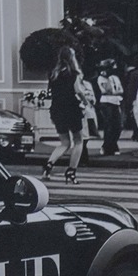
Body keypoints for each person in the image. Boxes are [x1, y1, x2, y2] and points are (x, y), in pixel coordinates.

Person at [41, 45, 86, 183]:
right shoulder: (74, 73)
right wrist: (86, 102)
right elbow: (78, 91)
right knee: (78, 141)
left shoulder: (53, 74)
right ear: (72, 58)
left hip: (57, 109)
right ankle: (71, 172)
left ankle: (49, 165)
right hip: (71, 108)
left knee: (64, 142)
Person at [95, 60, 124, 155]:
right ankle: (107, 146)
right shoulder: (101, 78)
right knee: (109, 125)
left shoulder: (115, 78)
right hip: (106, 102)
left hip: (116, 102)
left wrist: (115, 92)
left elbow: (121, 90)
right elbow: (106, 90)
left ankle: (113, 143)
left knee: (118, 125)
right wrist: (105, 77)